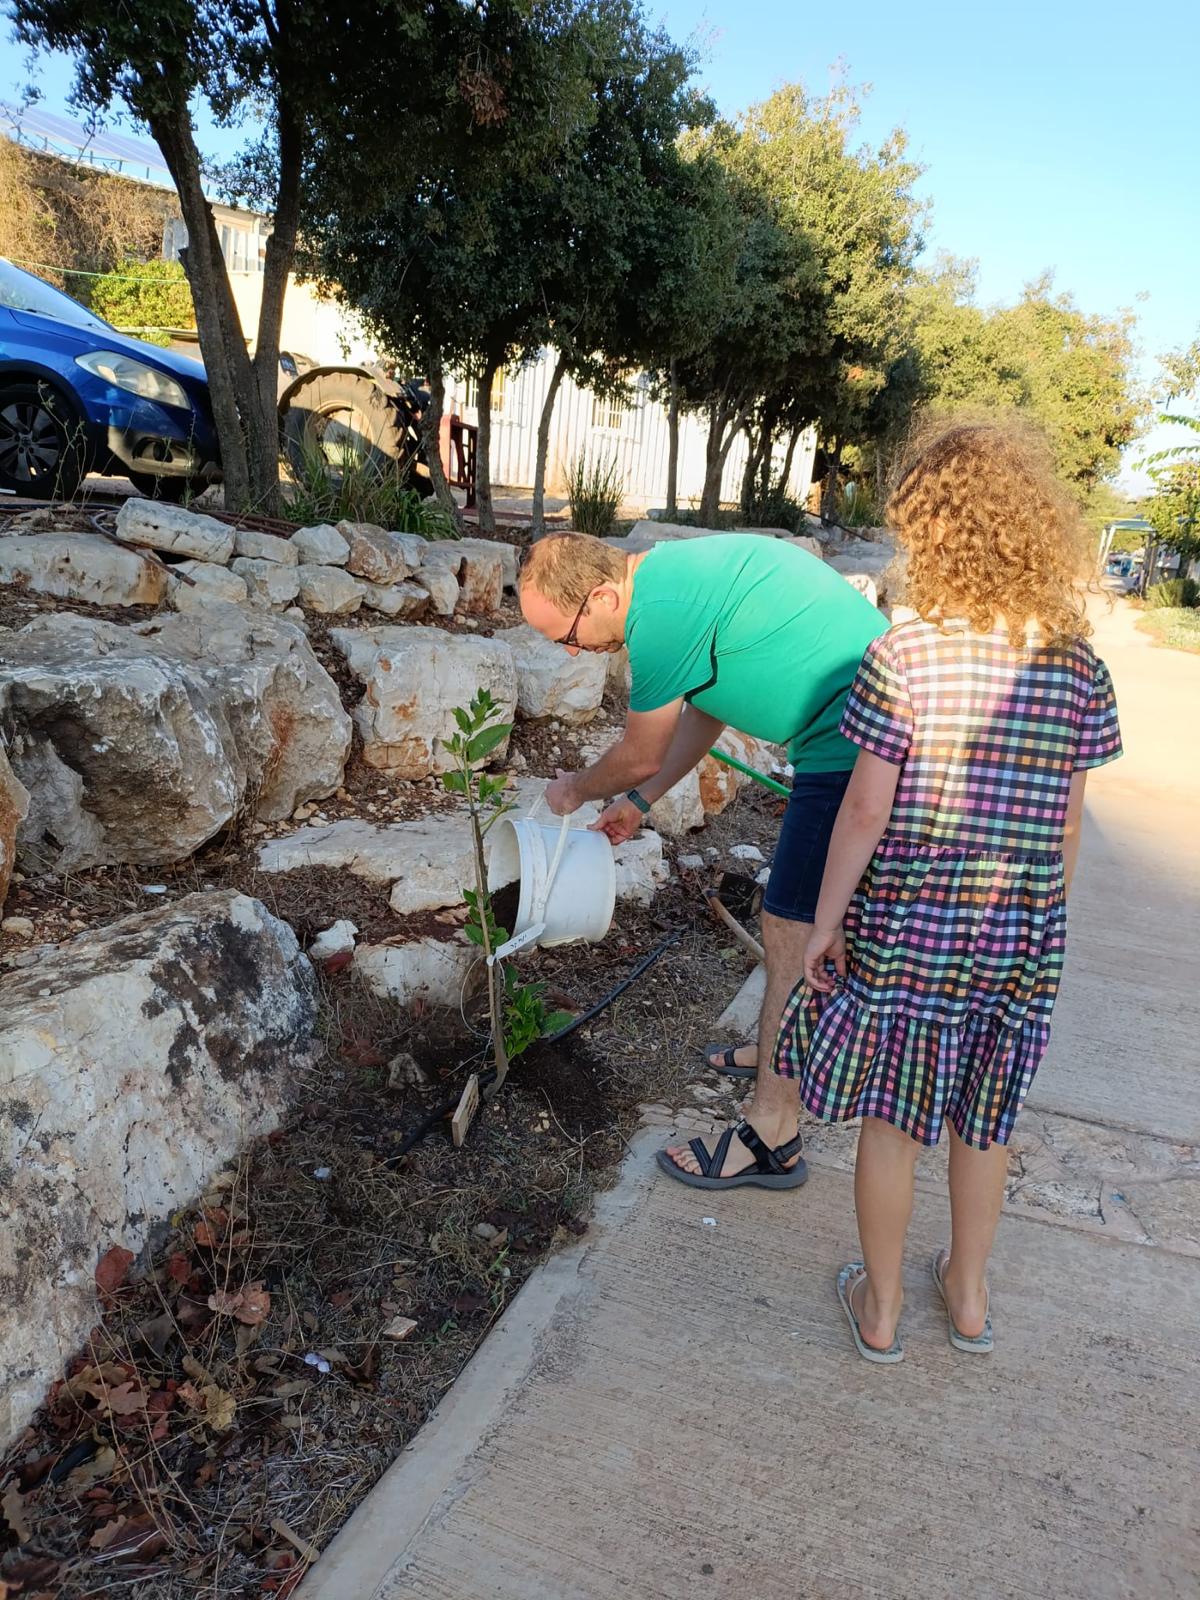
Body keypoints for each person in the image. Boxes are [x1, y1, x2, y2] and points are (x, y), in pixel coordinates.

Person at [773, 425, 1122, 1362]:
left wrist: (827, 922)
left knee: (893, 1116)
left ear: (933, 532)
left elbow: (863, 811)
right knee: (986, 1111)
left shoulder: (907, 654)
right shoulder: (1079, 667)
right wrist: (1042, 918)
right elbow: (1069, 826)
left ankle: (881, 1308)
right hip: (1020, 925)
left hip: (911, 923)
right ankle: (967, 1298)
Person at [517, 531, 885, 1186]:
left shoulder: (657, 617)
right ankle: (779, 1051)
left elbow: (640, 752)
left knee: (791, 928)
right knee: (796, 923)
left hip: (851, 745)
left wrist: (574, 789)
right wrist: (640, 802)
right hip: (856, 726)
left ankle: (772, 1133)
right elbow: (705, 708)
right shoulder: (671, 583)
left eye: (568, 634)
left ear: (602, 597)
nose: (572, 651)